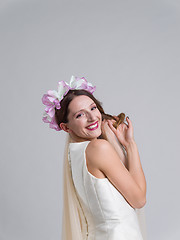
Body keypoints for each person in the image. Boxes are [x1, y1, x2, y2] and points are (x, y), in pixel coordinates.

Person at [42, 76, 147, 240]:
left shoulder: (75, 153)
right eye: (79, 115)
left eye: (92, 108)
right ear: (65, 127)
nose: (92, 118)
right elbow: (139, 200)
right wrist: (130, 144)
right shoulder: (98, 148)